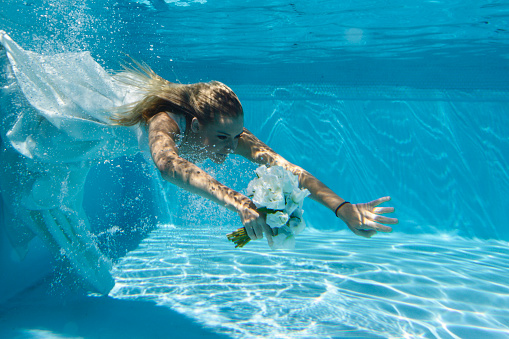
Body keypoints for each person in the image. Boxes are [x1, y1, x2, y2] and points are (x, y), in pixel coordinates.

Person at [0, 31, 398, 294]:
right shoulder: (163, 121)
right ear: (194, 123)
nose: (230, 148)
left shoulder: (226, 132)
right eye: (222, 138)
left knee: (83, 261)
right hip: (63, 130)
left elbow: (286, 166)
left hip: (87, 150)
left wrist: (343, 208)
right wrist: (240, 203)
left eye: (236, 136)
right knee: (36, 187)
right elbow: (168, 166)